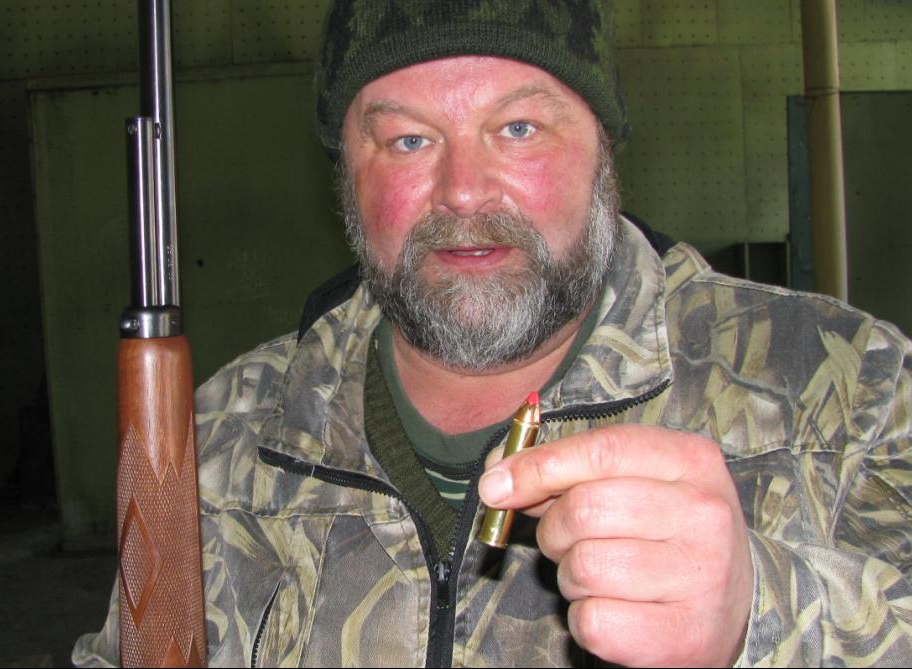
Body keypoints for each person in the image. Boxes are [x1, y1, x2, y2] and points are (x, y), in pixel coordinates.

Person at [74, 1, 912, 666]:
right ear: (345, 178)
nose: (464, 190)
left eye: (518, 129)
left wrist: (765, 613)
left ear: (604, 147)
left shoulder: (848, 393)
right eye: (408, 140)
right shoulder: (222, 436)